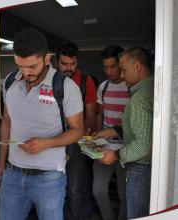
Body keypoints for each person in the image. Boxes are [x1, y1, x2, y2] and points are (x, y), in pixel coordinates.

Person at [0, 28, 84, 220]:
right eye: (20, 66)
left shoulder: (66, 87)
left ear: (46, 58)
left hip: (49, 177)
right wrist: (1, 165)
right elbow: (6, 123)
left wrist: (46, 143)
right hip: (12, 173)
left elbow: (78, 130)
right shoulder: (10, 82)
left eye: (32, 66)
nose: (26, 73)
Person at [94, 47, 154, 219]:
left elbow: (144, 144)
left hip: (140, 167)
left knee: (134, 211)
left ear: (137, 66)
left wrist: (116, 155)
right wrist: (111, 131)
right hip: (140, 164)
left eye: (123, 69)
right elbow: (138, 127)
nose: (121, 75)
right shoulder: (149, 89)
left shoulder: (139, 98)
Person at [56, 40, 97, 220]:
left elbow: (90, 115)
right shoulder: (49, 81)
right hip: (52, 141)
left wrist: (82, 138)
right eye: (64, 64)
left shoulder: (86, 82)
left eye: (72, 64)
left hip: (77, 142)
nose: (68, 68)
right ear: (56, 62)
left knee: (74, 188)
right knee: (54, 188)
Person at [93, 45, 129, 220]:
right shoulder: (103, 87)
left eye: (113, 67)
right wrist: (97, 135)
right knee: (98, 190)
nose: (108, 71)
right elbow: (101, 113)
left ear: (121, 64)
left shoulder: (131, 86)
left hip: (126, 150)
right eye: (105, 67)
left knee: (125, 196)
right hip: (104, 146)